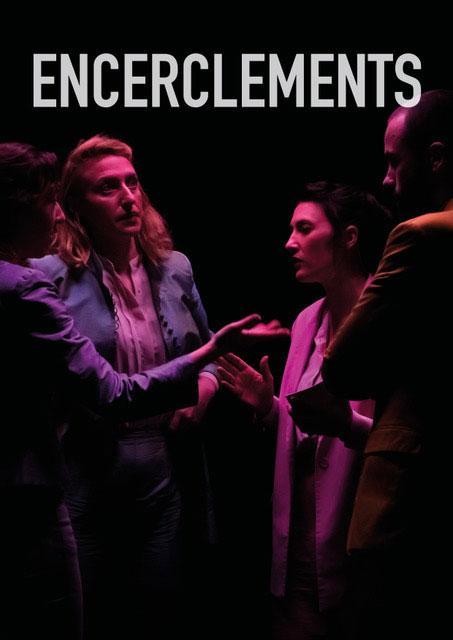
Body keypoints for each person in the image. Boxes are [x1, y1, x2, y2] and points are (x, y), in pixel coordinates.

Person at [0, 141, 288, 640]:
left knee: (159, 609)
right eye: (107, 187)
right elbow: (97, 387)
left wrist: (204, 388)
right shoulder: (42, 274)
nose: (127, 196)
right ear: (73, 205)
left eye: (132, 182)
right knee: (87, 611)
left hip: (161, 464)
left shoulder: (175, 268)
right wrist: (207, 356)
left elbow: (209, 355)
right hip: (84, 464)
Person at [218, 182, 391, 639]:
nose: (289, 242)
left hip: (363, 546)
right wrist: (269, 409)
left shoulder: (388, 322)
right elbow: (309, 432)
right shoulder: (305, 321)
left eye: (304, 229)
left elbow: (408, 439)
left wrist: (347, 425)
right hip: (299, 544)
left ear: (348, 237)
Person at [322, 90, 453, 638]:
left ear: (437, 157)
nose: (386, 178)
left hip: (407, 500)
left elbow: (342, 369)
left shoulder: (419, 237)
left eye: (395, 161)